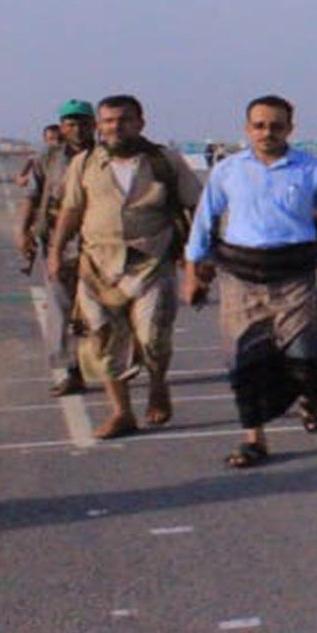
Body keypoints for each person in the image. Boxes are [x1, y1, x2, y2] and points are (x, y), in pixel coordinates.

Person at [184, 96, 317, 469]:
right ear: (248, 128)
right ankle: (254, 438)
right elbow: (204, 219)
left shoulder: (311, 170)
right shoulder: (228, 170)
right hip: (239, 275)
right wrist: (193, 269)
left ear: (290, 129)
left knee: (307, 357)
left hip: (294, 275)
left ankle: (312, 400)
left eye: (276, 126)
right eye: (260, 125)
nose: (267, 133)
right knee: (244, 361)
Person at [48, 95, 201, 439]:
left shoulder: (165, 162)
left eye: (124, 120)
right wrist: (56, 251)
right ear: (100, 126)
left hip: (151, 262)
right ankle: (121, 412)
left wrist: (198, 260)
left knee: (152, 338)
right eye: (108, 121)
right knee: (103, 340)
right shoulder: (85, 163)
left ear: (140, 123)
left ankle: (158, 384)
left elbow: (197, 207)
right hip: (97, 266)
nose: (115, 127)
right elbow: (71, 210)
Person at [15, 101, 94, 397]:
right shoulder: (48, 159)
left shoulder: (105, 157)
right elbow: (32, 197)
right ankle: (71, 370)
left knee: (102, 310)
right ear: (62, 127)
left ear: (94, 125)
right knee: (60, 307)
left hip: (100, 244)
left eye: (84, 123)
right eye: (71, 123)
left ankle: (110, 366)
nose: (78, 129)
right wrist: (22, 231)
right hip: (59, 245)